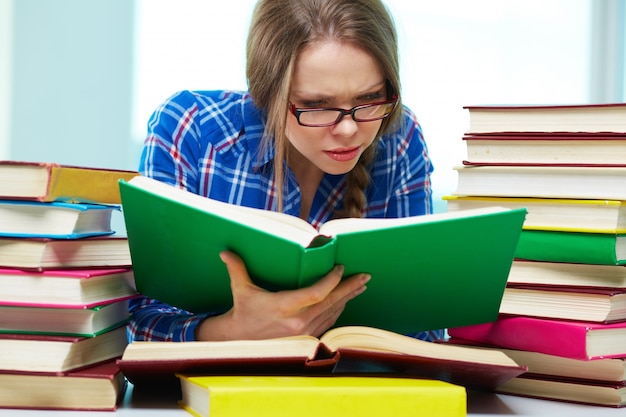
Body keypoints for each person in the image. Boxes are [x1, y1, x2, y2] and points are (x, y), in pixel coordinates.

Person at [128, 0, 443, 343]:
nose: (349, 130)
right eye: (316, 105)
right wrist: (231, 333)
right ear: (266, 94)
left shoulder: (398, 136)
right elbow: (140, 327)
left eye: (369, 97)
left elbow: (424, 324)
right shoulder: (194, 130)